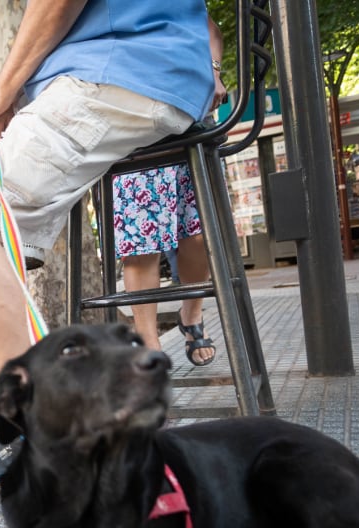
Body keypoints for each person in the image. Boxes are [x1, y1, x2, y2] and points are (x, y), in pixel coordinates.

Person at [0, 1, 216, 497]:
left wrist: (8, 91)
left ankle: (30, 431)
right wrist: (4, 97)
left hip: (126, 72)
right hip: (136, 67)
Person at [115, 15, 229, 367]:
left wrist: (213, 72)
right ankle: (149, 342)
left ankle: (191, 315)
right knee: (141, 243)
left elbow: (210, 28)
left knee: (198, 235)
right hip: (127, 114)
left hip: (188, 110)